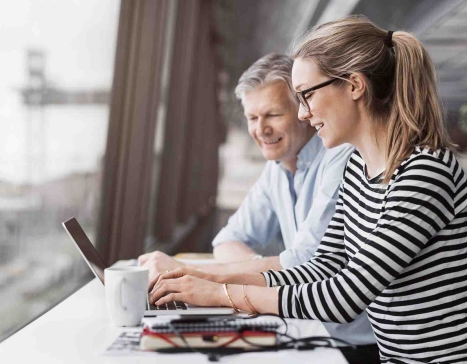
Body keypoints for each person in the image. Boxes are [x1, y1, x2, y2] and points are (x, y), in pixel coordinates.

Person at [149, 15, 467, 364]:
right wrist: (200, 281)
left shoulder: (424, 173)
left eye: (306, 96)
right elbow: (322, 267)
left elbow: (345, 295)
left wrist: (221, 293)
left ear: (354, 86)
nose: (302, 114)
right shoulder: (359, 171)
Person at [141, 53, 379, 362]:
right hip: (301, 325)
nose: (261, 129)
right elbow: (227, 241)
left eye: (273, 114)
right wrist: (256, 270)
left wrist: (195, 275)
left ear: (303, 111)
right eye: (253, 118)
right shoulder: (276, 168)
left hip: (349, 343)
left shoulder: (342, 155)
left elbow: (307, 262)